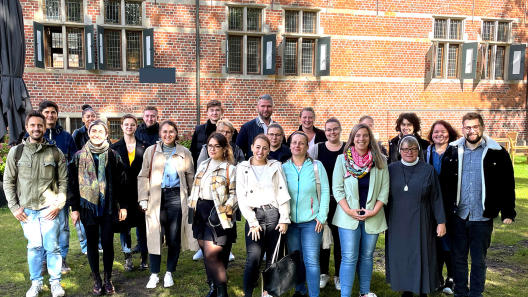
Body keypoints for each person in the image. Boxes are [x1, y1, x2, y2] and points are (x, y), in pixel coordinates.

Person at [439, 113, 516, 297]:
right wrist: (443, 214)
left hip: (482, 216)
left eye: (475, 127)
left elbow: (507, 184)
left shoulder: (497, 152)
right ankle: (460, 292)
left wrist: (508, 212)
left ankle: (476, 293)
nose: (471, 131)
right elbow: (444, 185)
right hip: (459, 215)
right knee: (458, 258)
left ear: (482, 127)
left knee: (479, 259)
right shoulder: (452, 151)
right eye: (467, 127)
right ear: (463, 129)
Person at [4, 110, 67, 297]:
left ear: (45, 126)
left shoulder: (55, 152)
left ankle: (55, 283)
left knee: (52, 247)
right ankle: (36, 282)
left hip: (49, 209)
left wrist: (58, 204)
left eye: (40, 125)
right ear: (26, 127)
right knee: (34, 247)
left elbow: (63, 181)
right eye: (32, 125)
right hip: (28, 211)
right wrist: (14, 207)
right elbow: (8, 182)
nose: (36, 128)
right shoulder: (16, 153)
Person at [69, 120, 128, 295]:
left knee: (108, 244)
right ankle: (97, 278)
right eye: (93, 131)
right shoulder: (78, 156)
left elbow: (122, 183)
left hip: (108, 208)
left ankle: (108, 278)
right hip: (87, 208)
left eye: (100, 131)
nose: (96, 134)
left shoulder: (114, 156)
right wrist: (74, 209)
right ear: (88, 133)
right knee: (92, 244)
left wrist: (123, 206)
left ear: (106, 134)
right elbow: (72, 184)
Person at [137, 120, 198, 288]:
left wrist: (193, 199)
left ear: (176, 133)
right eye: (164, 131)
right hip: (156, 197)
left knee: (173, 236)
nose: (168, 134)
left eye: (171, 131)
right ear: (160, 133)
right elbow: (142, 176)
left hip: (176, 197)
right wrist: (143, 197)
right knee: (154, 234)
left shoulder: (184, 152)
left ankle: (169, 272)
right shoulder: (151, 151)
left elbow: (191, 178)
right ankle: (154, 274)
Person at [385, 135, 446, 297]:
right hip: (397, 220)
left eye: (413, 148)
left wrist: (441, 222)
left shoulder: (428, 170)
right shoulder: (391, 169)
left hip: (422, 219)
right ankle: (406, 289)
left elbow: (437, 198)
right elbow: (383, 197)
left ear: (418, 150)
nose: (409, 152)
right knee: (402, 256)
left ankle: (423, 288)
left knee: (421, 254)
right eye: (405, 149)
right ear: (400, 151)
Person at [332, 123, 389, 297]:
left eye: (365, 135)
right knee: (349, 257)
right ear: (352, 138)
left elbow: (384, 190)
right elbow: (337, 188)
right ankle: (346, 294)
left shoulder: (380, 161)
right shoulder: (342, 160)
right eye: (358, 135)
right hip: (348, 216)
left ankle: (364, 292)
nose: (361, 139)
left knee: (367, 256)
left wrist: (374, 211)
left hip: (373, 215)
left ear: (369, 138)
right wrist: (348, 210)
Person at [237, 134, 291, 297]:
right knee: (253, 259)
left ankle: (268, 293)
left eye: (265, 148)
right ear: (252, 147)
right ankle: (248, 294)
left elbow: (283, 192)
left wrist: (284, 218)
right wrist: (253, 222)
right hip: (255, 216)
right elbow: (241, 197)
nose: (260, 151)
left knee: (273, 260)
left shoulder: (275, 165)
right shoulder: (243, 167)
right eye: (258, 147)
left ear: (269, 150)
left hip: (274, 215)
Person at [189, 133, 238, 297]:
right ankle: (213, 287)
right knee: (208, 254)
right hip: (200, 212)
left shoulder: (230, 169)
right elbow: (195, 188)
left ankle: (222, 293)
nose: (212, 149)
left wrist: (225, 210)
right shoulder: (203, 165)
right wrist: (191, 206)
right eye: (210, 145)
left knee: (212, 254)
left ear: (224, 148)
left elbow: (236, 194)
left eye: (217, 146)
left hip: (218, 213)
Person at [33, 100, 79, 274]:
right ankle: (46, 260)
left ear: (57, 115)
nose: (50, 115)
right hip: (42, 192)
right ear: (41, 114)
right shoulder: (35, 136)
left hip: (62, 190)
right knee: (44, 227)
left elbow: (74, 161)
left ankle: (62, 258)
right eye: (46, 112)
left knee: (63, 227)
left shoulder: (66, 137)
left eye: (53, 112)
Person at [282, 131, 330, 297]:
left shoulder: (317, 166)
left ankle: (314, 294)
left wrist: (321, 216)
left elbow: (325, 191)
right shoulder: (283, 168)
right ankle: (300, 290)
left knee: (311, 261)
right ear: (290, 145)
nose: (297, 146)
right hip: (291, 222)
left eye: (301, 143)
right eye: (294, 142)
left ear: (307, 146)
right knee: (296, 259)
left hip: (312, 221)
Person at [194, 119, 242, 261]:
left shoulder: (236, 149)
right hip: (207, 198)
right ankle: (209, 258)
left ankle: (225, 255)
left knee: (223, 235)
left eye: (228, 132)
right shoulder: (206, 151)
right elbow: (200, 171)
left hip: (225, 199)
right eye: (222, 131)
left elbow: (240, 170)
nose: (225, 134)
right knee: (206, 239)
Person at [307, 117, 345, 290]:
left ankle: (338, 275)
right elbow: (308, 167)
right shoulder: (317, 149)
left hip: (342, 201)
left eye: (335, 129)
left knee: (339, 239)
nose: (332, 132)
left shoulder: (347, 149)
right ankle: (324, 273)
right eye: (328, 130)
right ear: (325, 131)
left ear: (340, 130)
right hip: (322, 201)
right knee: (322, 236)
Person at [110, 114, 150, 272]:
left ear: (136, 126)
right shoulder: (114, 148)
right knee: (124, 227)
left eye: (132, 124)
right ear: (121, 126)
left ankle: (144, 258)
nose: (129, 127)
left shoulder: (145, 147)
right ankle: (128, 259)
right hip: (123, 195)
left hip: (141, 194)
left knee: (143, 227)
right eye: (126, 124)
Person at [425, 120, 459, 295]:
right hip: (430, 204)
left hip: (449, 203)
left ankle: (451, 278)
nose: (439, 134)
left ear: (449, 133)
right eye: (436, 131)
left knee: (447, 241)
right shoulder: (426, 152)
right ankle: (437, 277)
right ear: (431, 134)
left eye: (443, 131)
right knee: (435, 242)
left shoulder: (456, 151)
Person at [191, 100, 238, 167]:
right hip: (204, 169)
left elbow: (236, 150)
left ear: (222, 111)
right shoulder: (199, 130)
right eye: (211, 110)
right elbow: (193, 152)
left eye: (217, 110)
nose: (214, 113)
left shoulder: (231, 130)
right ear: (207, 112)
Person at [237, 94, 277, 159]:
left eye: (269, 106)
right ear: (257, 107)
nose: (266, 109)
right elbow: (239, 152)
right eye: (263, 106)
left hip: (273, 167)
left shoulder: (277, 128)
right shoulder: (247, 128)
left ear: (272, 107)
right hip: (253, 167)